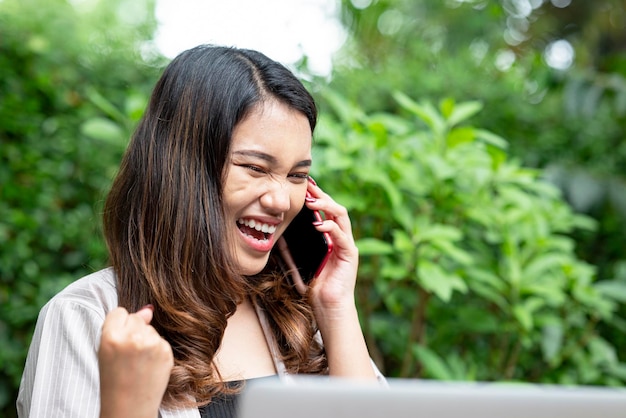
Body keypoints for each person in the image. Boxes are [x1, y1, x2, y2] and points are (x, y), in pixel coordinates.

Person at [17, 44, 384, 418]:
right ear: (184, 169)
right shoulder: (85, 317)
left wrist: (336, 309)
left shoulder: (296, 318)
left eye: (297, 175)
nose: (280, 200)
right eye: (255, 168)